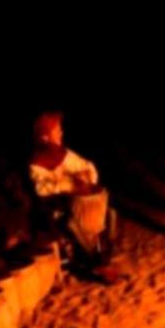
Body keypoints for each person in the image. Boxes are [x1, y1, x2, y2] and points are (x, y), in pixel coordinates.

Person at [28, 112, 118, 280]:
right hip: (51, 210)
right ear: (45, 136)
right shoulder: (36, 162)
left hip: (74, 205)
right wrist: (68, 184)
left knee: (111, 212)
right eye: (57, 130)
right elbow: (41, 189)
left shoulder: (62, 154)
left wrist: (87, 178)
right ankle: (96, 263)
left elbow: (87, 166)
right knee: (69, 222)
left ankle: (106, 256)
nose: (61, 133)